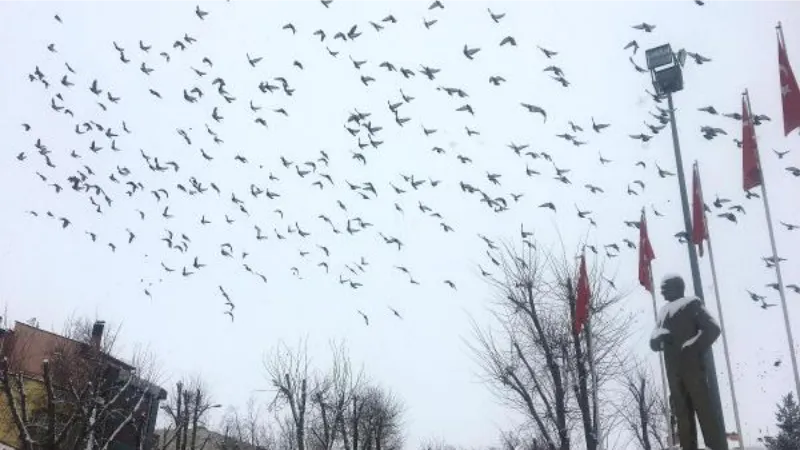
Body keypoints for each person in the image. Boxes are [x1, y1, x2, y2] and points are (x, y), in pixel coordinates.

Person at [650, 274, 723, 450]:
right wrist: (658, 337)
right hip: (673, 371)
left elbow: (712, 329)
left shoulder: (692, 304)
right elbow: (653, 343)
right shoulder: (662, 312)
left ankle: (717, 446)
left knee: (704, 408)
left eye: (665, 287)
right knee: (682, 413)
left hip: (693, 368)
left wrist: (692, 348)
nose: (662, 291)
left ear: (677, 287)